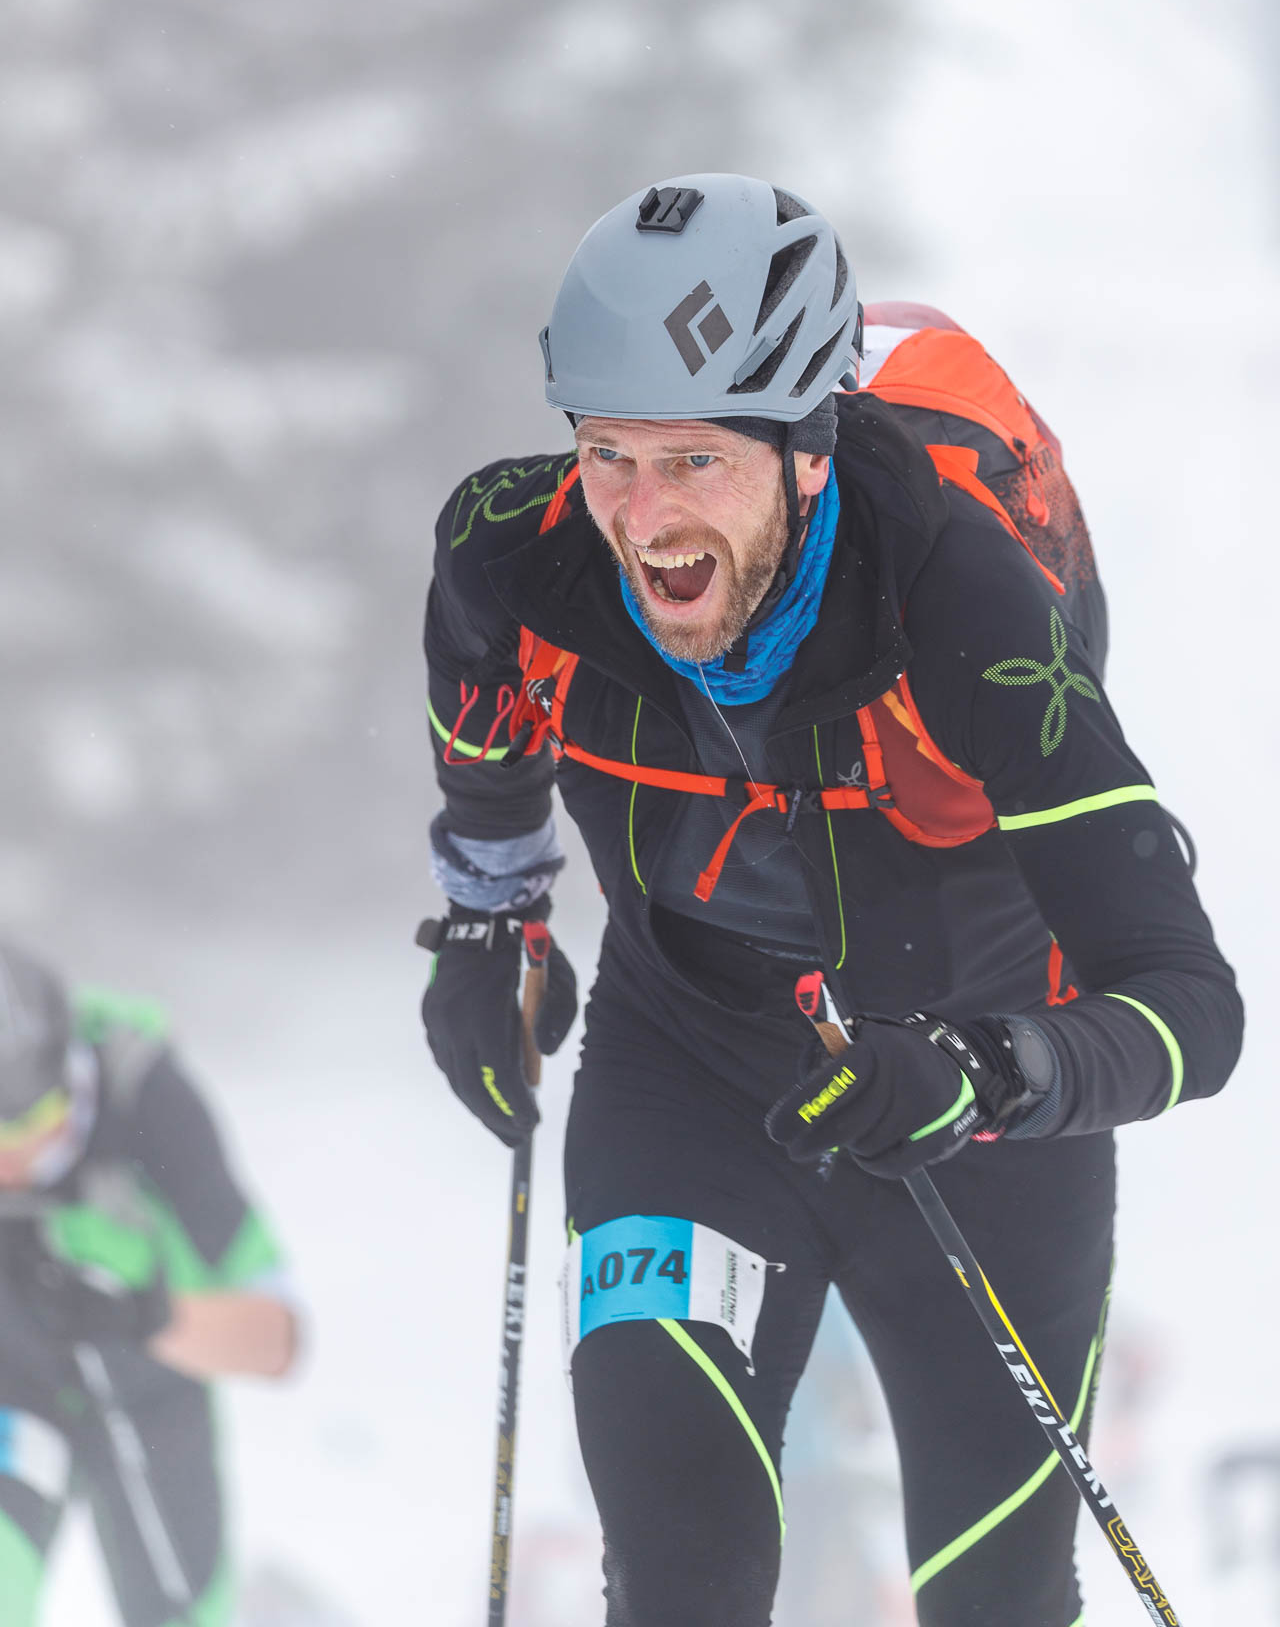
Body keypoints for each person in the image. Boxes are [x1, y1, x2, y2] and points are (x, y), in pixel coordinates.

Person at [418, 174, 1241, 1626]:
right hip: (692, 1072)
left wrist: (991, 1073)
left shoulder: (967, 611)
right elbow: (489, 762)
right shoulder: (514, 554)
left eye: (694, 462)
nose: (642, 517)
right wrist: (490, 926)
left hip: (981, 1099)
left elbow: (1190, 1005)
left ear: (806, 454)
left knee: (992, 1599)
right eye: (608, 453)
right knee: (681, 1580)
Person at [0, 938, 298, 1627]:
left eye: (34, 1128)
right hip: (16, 1403)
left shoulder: (147, 1101)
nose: (11, 1167)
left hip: (150, 1397)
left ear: (70, 1081)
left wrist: (147, 1317)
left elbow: (279, 1340)